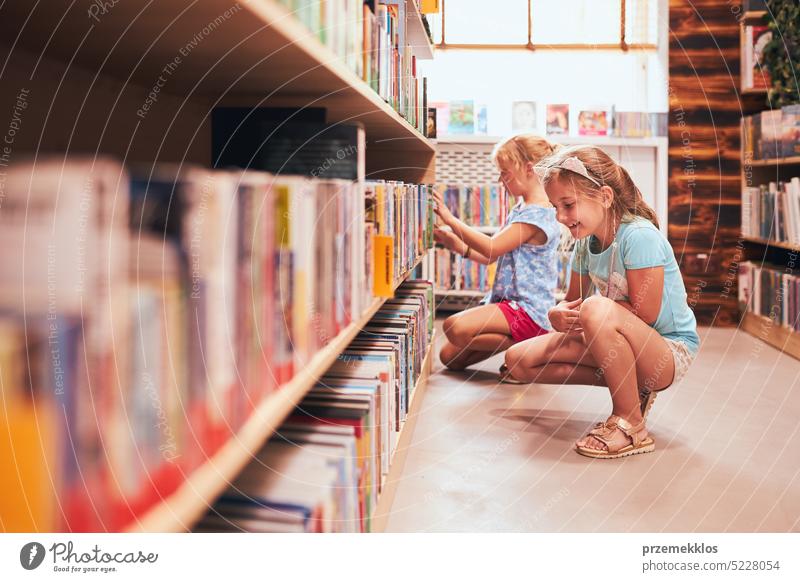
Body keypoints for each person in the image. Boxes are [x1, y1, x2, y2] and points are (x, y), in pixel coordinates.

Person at [503, 145, 699, 459]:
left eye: (568, 204)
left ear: (605, 197)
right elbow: (572, 304)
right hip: (615, 339)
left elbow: (646, 314)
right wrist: (557, 314)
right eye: (555, 206)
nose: (560, 217)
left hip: (667, 350)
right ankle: (633, 389)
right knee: (518, 360)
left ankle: (631, 423)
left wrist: (588, 312)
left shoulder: (639, 236)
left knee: (595, 307)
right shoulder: (585, 242)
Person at [433, 134, 561, 382]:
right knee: (449, 357)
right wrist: (456, 245)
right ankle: (525, 348)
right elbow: (491, 258)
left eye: (505, 173)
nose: (501, 180)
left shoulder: (538, 215)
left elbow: (491, 248)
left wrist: (451, 219)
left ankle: (533, 342)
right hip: (507, 304)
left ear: (529, 169)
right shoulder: (521, 210)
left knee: (453, 327)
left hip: (527, 309)